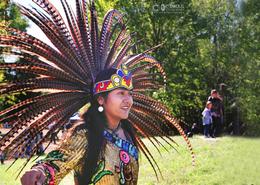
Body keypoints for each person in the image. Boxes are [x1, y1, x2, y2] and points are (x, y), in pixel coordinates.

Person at [0, 1, 194, 185]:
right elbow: (57, 160)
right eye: (120, 93)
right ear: (101, 99)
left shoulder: (127, 131)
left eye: (130, 94)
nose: (128, 100)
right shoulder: (85, 134)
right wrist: (40, 171)